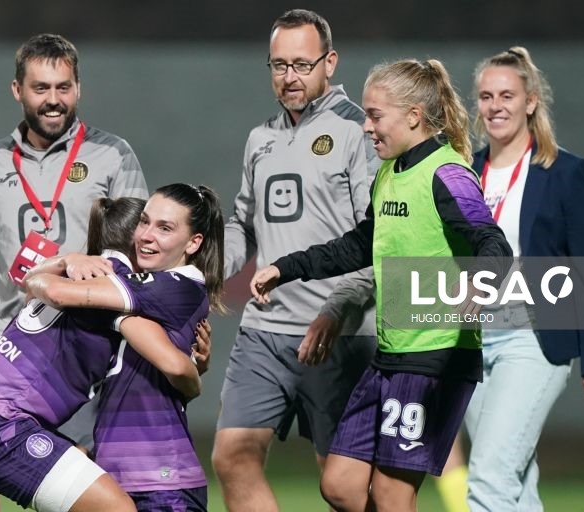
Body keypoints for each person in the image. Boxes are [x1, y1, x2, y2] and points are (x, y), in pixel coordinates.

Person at [249, 59, 513, 512]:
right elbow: (360, 245)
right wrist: (286, 267)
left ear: (413, 115)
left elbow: (493, 243)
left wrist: (477, 282)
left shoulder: (446, 174)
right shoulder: (389, 173)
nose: (367, 126)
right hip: (392, 354)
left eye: (375, 115)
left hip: (436, 355)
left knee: (393, 494)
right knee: (340, 486)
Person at [0, 33, 148, 511]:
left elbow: (141, 250)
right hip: (11, 334)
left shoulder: (112, 155)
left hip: (81, 342)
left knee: (76, 468)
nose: (53, 100)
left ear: (78, 89)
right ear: (17, 90)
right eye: (41, 88)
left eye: (63, 87)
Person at [210, 9, 379, 511]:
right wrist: (213, 269)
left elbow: (379, 238)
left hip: (339, 334)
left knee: (344, 489)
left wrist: (342, 307)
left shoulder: (360, 131)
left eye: (302, 64)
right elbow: (244, 222)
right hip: (264, 331)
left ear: (330, 62)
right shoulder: (260, 138)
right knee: (231, 456)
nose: (289, 77)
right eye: (279, 65)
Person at [0, 196, 209, 512]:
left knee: (88, 475)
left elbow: (32, 282)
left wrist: (63, 259)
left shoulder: (81, 269)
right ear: (135, 241)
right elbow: (174, 364)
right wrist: (195, 370)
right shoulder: (116, 287)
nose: (153, 238)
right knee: (117, 509)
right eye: (147, 225)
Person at [463, 46, 584, 512]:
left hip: (534, 339)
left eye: (506, 95)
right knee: (516, 481)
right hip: (472, 343)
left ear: (530, 101)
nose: (495, 106)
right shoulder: (465, 172)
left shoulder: (564, 172)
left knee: (488, 477)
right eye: (486, 96)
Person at [28, 184, 226, 511]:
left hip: (163, 482)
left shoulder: (173, 287)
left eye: (164, 228)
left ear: (194, 242)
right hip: (119, 477)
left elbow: (52, 291)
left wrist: (66, 266)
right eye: (144, 222)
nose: (146, 235)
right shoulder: (144, 289)